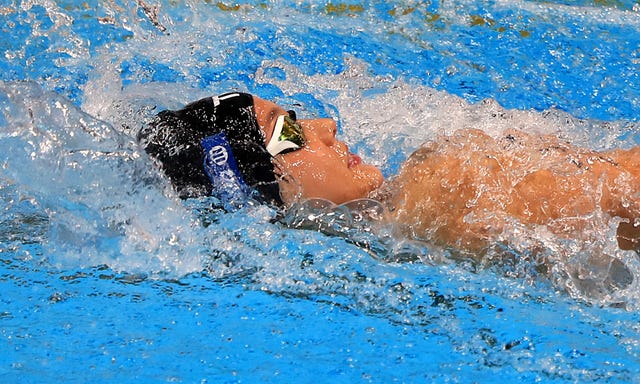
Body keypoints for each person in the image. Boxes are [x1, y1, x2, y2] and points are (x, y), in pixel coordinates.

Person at [137, 92, 640, 257]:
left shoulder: (436, 192)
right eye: (285, 132)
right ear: (256, 190)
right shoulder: (445, 185)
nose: (324, 125)